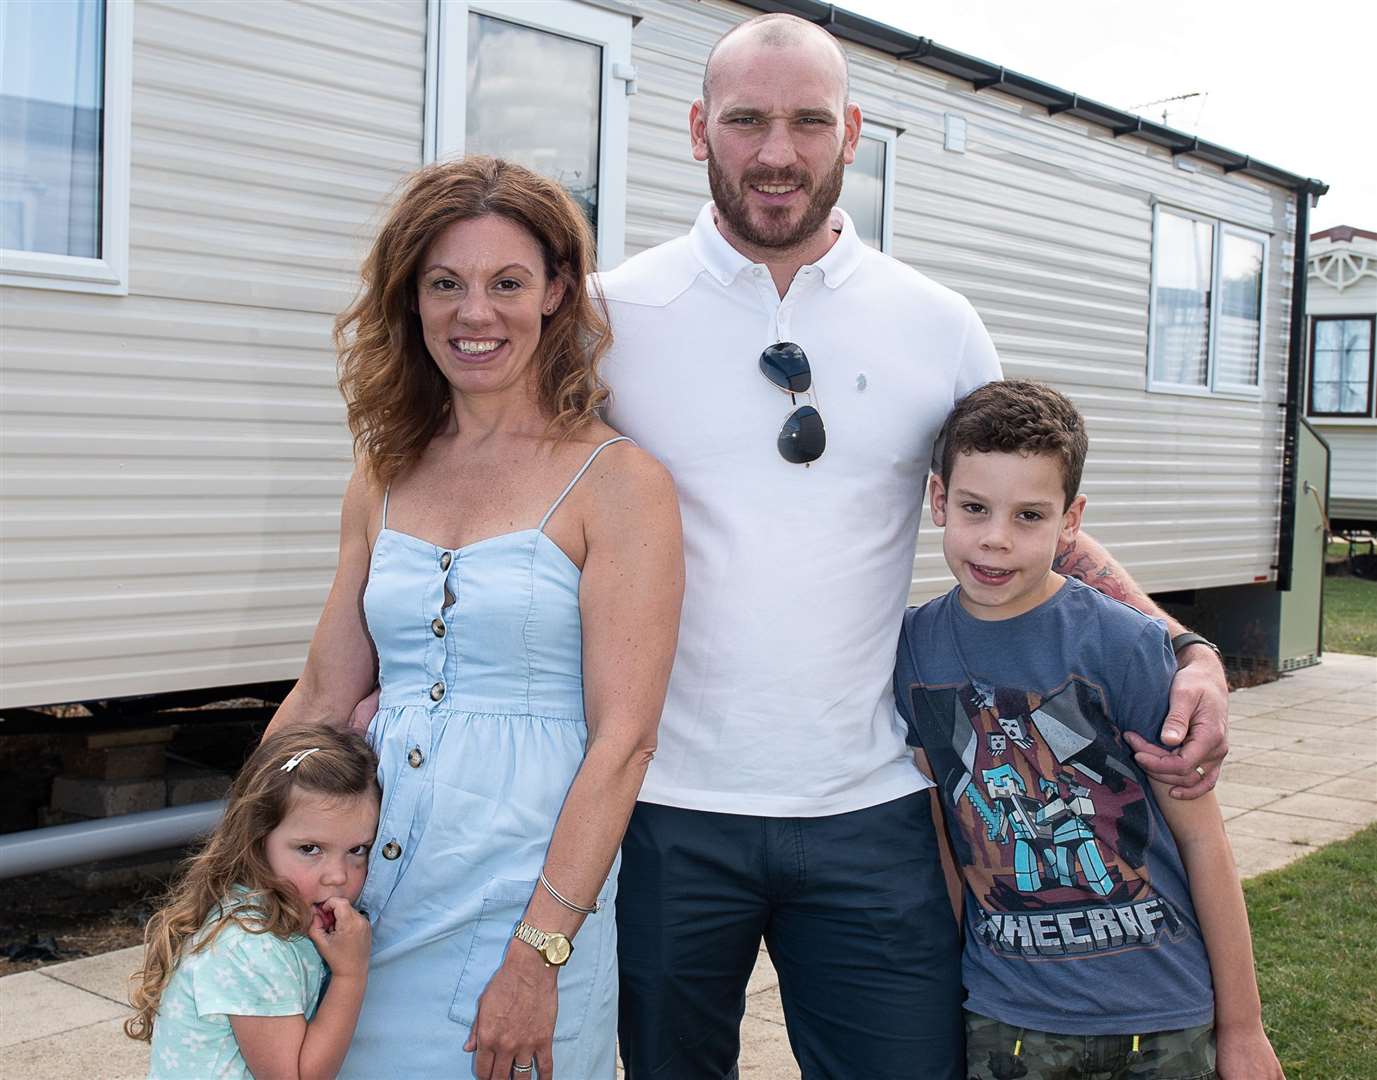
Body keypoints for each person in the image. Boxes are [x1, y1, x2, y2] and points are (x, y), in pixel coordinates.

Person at [595, 12, 1232, 1078]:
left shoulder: (935, 323)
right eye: (746, 120)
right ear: (697, 128)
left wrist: (1183, 648)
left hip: (874, 807)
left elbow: (1029, 509)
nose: (777, 153)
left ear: (849, 131)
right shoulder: (614, 319)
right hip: (668, 812)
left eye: (807, 122)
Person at [264, 157, 683, 1078]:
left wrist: (539, 956)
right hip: (369, 892)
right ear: (410, 299)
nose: (474, 313)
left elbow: (624, 743)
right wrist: (230, 874)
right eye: (444, 284)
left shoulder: (618, 484)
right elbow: (327, 691)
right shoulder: (383, 469)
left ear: (556, 294)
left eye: (506, 284)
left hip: (520, 901)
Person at [897, 380, 1282, 1080]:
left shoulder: (1122, 644)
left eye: (1029, 516)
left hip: (1162, 1018)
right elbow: (944, 845)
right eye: (974, 508)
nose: (995, 538)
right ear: (937, 500)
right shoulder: (914, 650)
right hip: (1006, 1021)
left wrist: (1243, 1028)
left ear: (1070, 520)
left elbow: (1200, 837)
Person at [127, 726, 379, 1080]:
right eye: (310, 849)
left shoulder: (272, 914)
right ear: (257, 840)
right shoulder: (252, 946)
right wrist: (351, 973)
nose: (338, 876)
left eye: (357, 850)